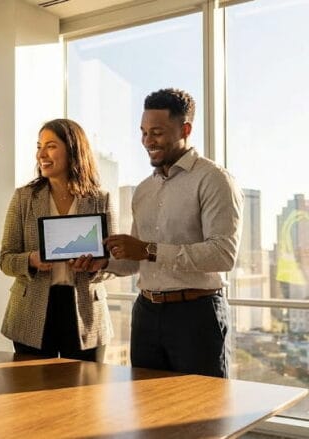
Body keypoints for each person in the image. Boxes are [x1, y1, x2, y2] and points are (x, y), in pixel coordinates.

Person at [102, 88, 243, 378]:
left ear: (185, 129)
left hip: (196, 315)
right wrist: (102, 262)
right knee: (148, 411)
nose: (147, 141)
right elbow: (135, 261)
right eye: (143, 132)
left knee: (203, 415)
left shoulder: (213, 179)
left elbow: (223, 255)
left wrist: (148, 249)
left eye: (156, 132)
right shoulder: (143, 190)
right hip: (145, 314)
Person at [0, 118, 115, 362]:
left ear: (73, 149)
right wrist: (31, 259)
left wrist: (99, 265)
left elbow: (114, 261)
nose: (41, 154)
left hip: (86, 313)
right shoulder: (24, 198)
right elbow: (6, 259)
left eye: (50, 146)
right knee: (31, 394)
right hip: (32, 311)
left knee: (85, 396)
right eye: (39, 146)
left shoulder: (100, 199)